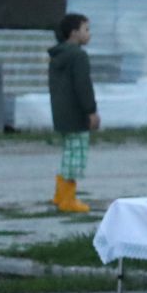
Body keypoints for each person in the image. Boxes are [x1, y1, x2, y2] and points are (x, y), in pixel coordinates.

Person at [47, 13, 99, 214]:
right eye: (86, 29)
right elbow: (83, 85)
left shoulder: (58, 56)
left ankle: (60, 196)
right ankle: (68, 200)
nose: (89, 34)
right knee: (76, 157)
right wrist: (91, 110)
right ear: (74, 33)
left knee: (68, 155)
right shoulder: (78, 56)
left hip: (61, 112)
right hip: (76, 114)